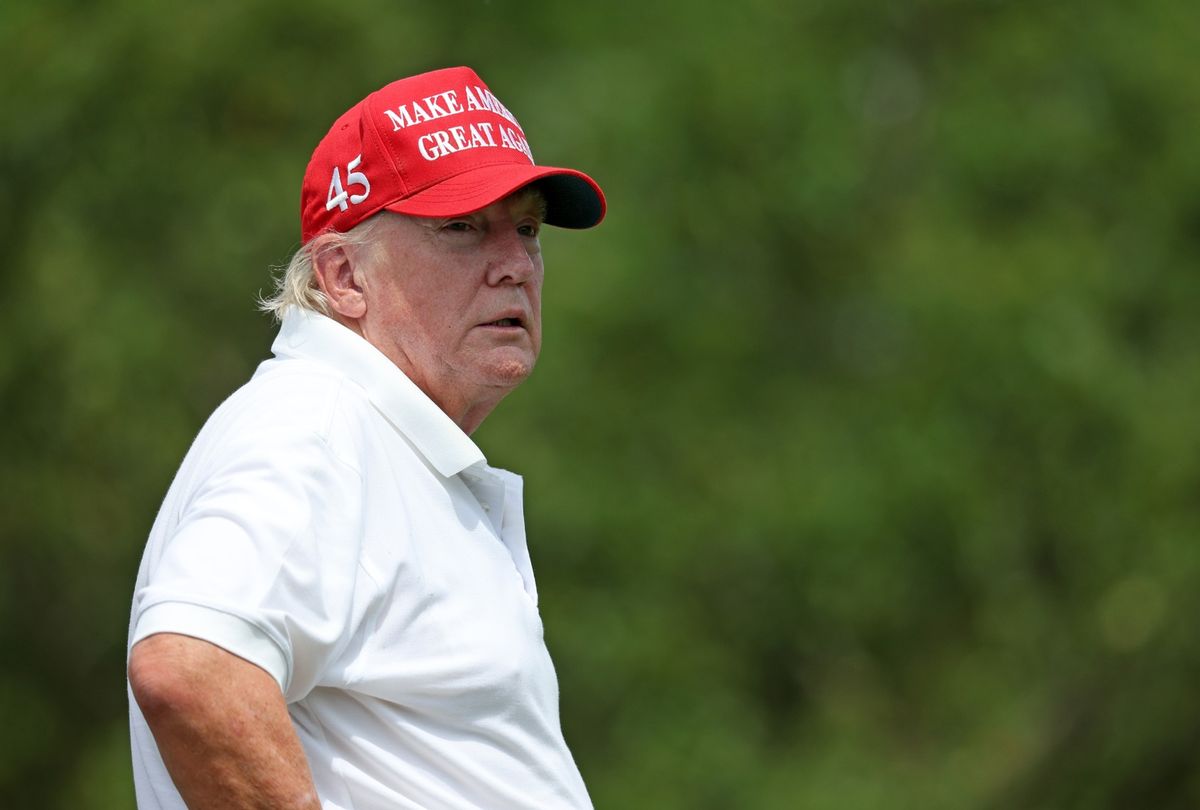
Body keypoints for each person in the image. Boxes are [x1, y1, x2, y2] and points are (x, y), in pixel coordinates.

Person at [126, 66, 606, 810]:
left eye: (527, 229)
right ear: (344, 275)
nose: (515, 265)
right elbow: (188, 666)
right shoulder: (314, 427)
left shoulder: (367, 439)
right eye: (461, 228)